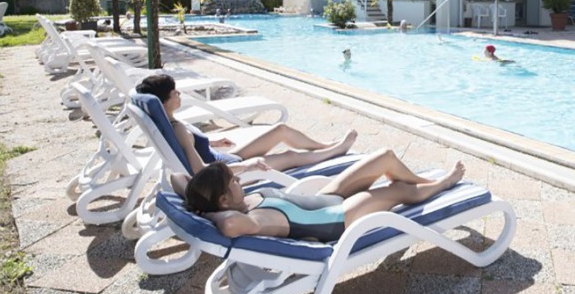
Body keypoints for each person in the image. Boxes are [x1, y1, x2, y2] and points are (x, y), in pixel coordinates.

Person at [178, 149, 465, 241]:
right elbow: (228, 226)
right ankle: (442, 184)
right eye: (234, 181)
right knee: (398, 190)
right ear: (224, 201)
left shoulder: (236, 202)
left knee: (385, 157)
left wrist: (197, 205)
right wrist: (208, 213)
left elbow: (177, 179)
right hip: (338, 217)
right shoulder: (249, 219)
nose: (240, 180)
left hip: (326, 198)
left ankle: (425, 181)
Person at [134, 74, 356, 175]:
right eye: (174, 92)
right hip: (229, 171)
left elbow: (191, 144)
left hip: (226, 158)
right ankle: (335, 152)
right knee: (290, 156)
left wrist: (212, 140)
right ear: (164, 101)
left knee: (280, 130)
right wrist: (246, 167)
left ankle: (324, 145)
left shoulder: (172, 124)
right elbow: (201, 172)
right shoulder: (178, 130)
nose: (179, 94)